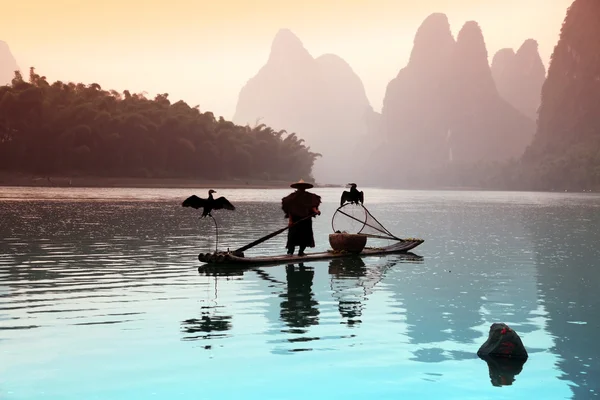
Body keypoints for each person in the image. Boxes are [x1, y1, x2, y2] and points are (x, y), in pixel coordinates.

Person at [281, 179, 321, 256]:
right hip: (295, 219)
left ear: (305, 188)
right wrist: (290, 221)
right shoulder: (292, 197)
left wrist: (316, 211)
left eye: (303, 187)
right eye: (300, 187)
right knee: (292, 236)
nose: (301, 188)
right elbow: (290, 210)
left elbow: (312, 206)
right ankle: (290, 252)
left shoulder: (310, 196)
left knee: (305, 236)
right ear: (297, 187)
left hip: (306, 220)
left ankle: (301, 252)